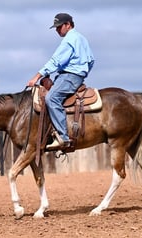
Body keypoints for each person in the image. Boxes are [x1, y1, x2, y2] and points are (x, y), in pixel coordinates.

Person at [27, 13, 95, 150]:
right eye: (56, 28)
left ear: (68, 25)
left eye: (59, 27)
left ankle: (63, 137)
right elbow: (91, 60)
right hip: (75, 75)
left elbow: (56, 61)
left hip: (70, 76)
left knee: (51, 98)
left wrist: (37, 76)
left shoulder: (69, 40)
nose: (57, 30)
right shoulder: (82, 38)